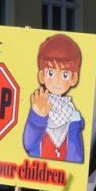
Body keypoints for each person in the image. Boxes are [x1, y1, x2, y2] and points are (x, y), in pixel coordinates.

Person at [23, 34, 85, 163]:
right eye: (51, 73)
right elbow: (29, 144)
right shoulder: (41, 107)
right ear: (42, 76)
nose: (57, 81)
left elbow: (77, 155)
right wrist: (38, 117)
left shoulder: (73, 117)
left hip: (63, 174)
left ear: (73, 79)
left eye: (65, 74)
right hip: (39, 172)